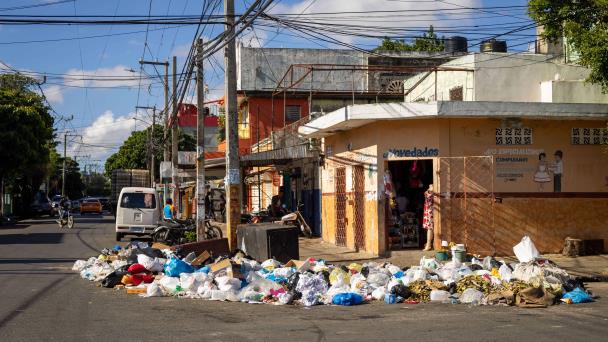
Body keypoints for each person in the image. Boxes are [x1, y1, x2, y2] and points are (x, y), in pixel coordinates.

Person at [422, 184, 435, 251]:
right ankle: (428, 244)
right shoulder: (429, 193)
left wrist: (431, 189)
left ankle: (428, 244)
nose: (429, 187)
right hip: (429, 211)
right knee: (430, 229)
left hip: (430, 212)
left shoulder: (430, 193)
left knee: (430, 229)